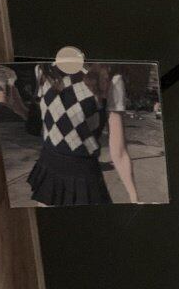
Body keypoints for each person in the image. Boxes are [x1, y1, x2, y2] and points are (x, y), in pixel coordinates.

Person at [28, 63, 139, 205]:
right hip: (48, 169)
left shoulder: (110, 78)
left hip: (83, 177)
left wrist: (134, 198)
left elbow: (120, 152)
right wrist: (16, 106)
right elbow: (49, 121)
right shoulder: (44, 69)